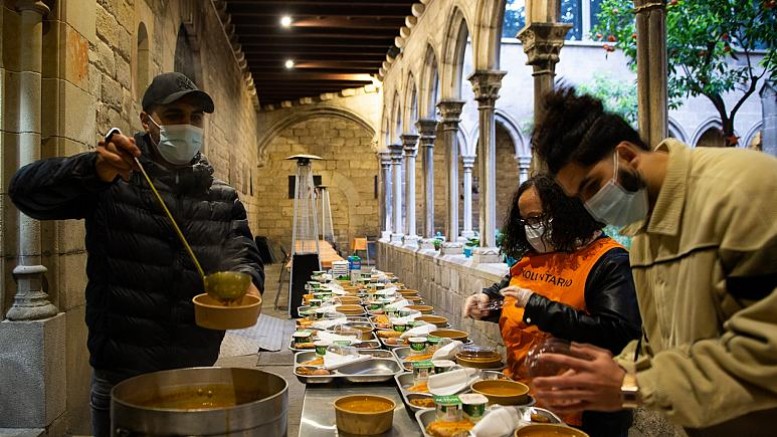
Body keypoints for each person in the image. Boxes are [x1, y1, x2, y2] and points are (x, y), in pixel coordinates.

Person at [9, 72, 264, 436]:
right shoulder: (113, 180)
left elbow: (242, 252)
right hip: (122, 381)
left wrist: (248, 283)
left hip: (194, 373)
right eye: (174, 115)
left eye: (195, 118)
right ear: (147, 120)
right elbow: (25, 192)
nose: (187, 125)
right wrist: (91, 171)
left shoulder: (221, 196)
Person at [529, 86, 777, 437]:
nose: (591, 205)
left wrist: (631, 383)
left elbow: (766, 354)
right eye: (580, 197)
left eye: (591, 186)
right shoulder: (644, 233)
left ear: (627, 155)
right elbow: (661, 348)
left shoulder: (743, 191)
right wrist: (599, 374)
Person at [463, 174, 641, 437]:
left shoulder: (609, 262)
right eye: (525, 221)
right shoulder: (535, 257)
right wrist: (487, 302)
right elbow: (511, 298)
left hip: (583, 415)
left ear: (567, 211)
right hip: (525, 399)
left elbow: (617, 333)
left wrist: (537, 306)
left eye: (537, 218)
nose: (532, 228)